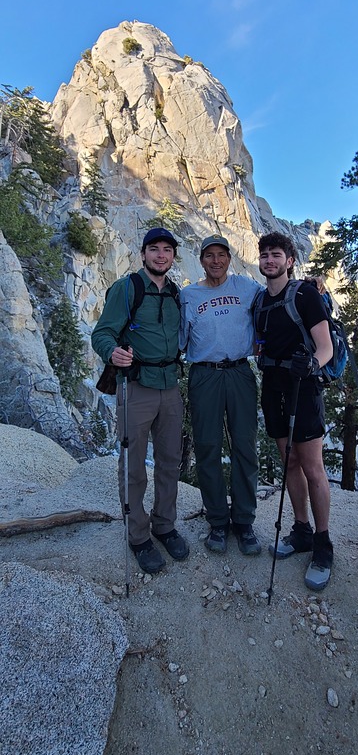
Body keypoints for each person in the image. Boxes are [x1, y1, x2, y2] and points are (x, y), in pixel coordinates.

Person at [91, 227, 189, 575]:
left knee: (169, 460)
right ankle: (138, 536)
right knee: (133, 464)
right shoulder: (127, 288)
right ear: (143, 253)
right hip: (136, 386)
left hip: (170, 386)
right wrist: (111, 352)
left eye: (167, 250)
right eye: (154, 249)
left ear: (173, 256)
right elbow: (102, 332)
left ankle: (164, 525)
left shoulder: (176, 294)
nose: (161, 255)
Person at [256, 231, 334, 591]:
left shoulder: (305, 294)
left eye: (277, 255)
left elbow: (325, 347)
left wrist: (312, 366)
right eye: (265, 255)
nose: (270, 260)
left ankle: (323, 543)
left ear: (290, 260)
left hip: (304, 387)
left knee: (312, 466)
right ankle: (301, 529)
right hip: (273, 388)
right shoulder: (260, 301)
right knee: (288, 461)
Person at [180, 234, 262, 556]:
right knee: (207, 447)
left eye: (221, 255)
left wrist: (310, 283)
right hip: (204, 374)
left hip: (240, 371)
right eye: (209, 256)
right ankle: (217, 520)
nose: (216, 261)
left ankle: (244, 521)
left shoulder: (247, 288)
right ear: (201, 260)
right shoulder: (189, 295)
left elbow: (277, 293)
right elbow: (179, 340)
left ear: (230, 258)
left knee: (245, 446)